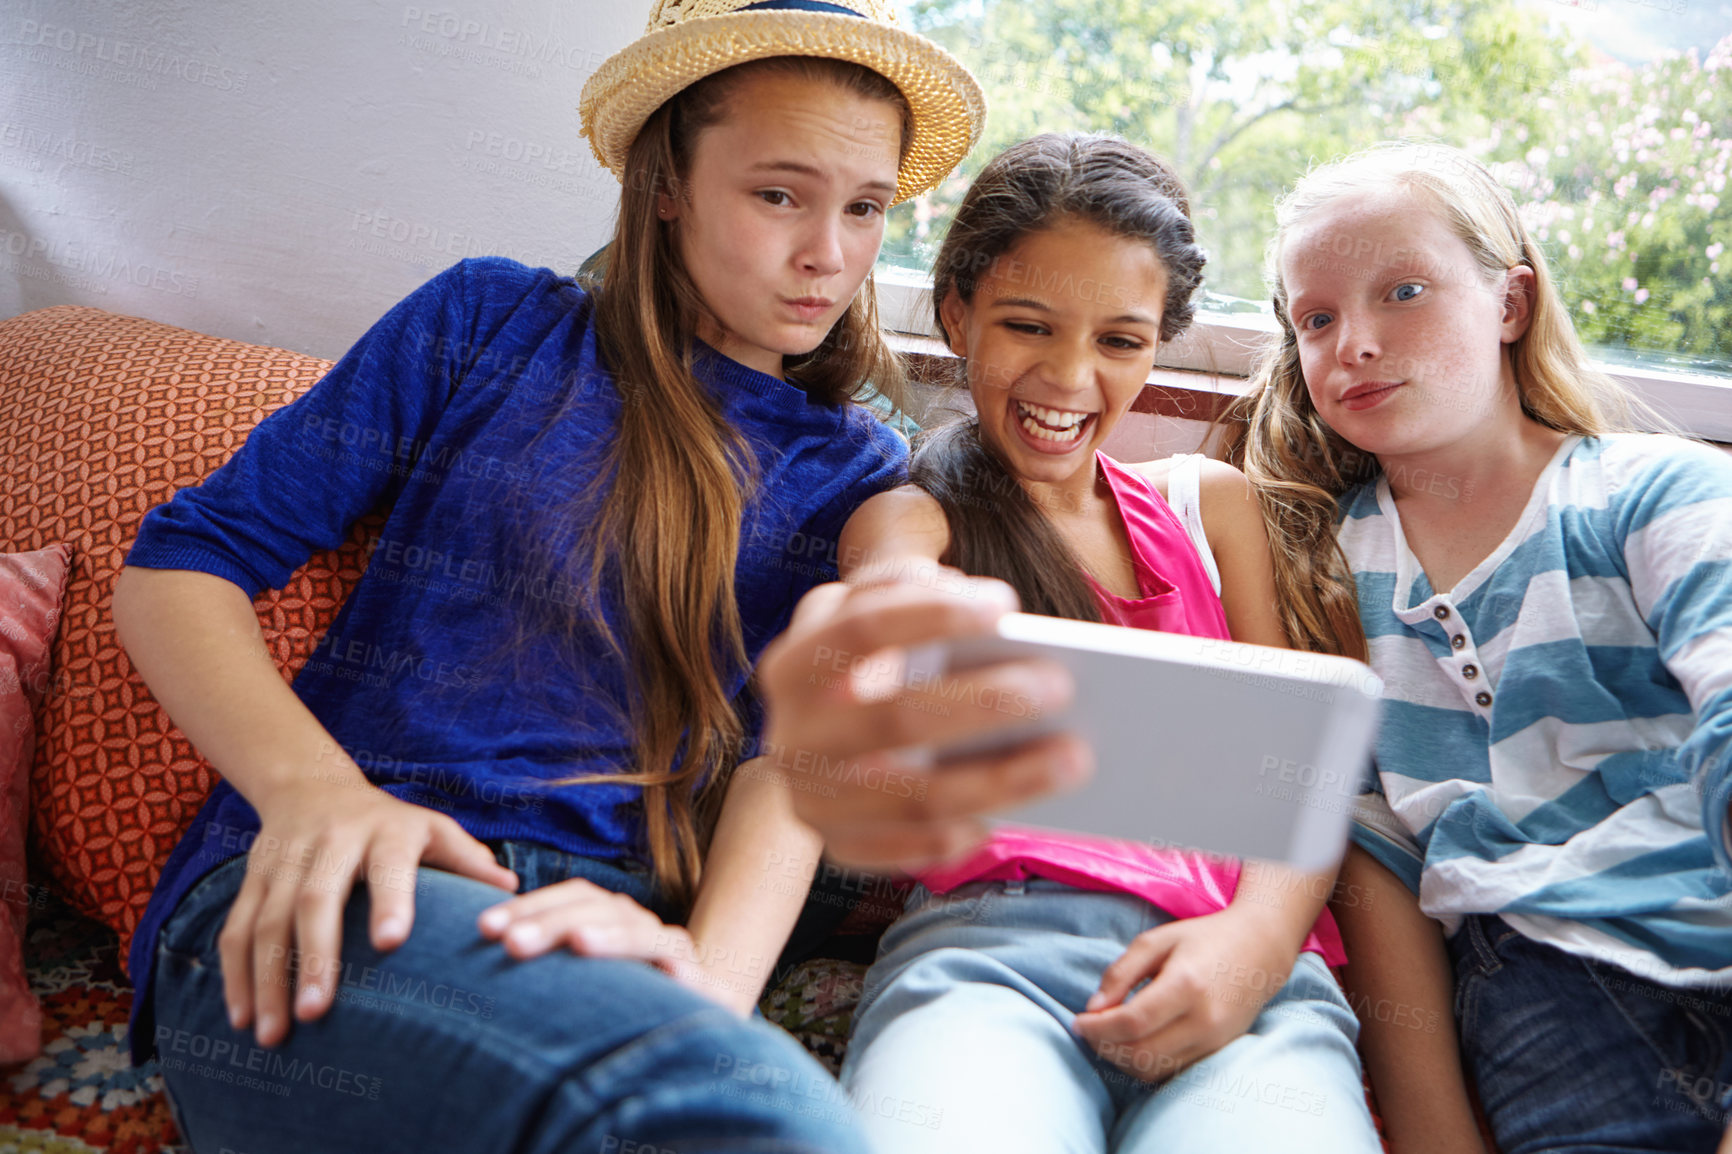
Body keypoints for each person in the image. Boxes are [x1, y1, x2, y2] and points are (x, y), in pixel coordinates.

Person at [110, 2, 986, 1150]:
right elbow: (184, 561)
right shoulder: (490, 323)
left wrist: (699, 993)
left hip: (598, 938)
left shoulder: (852, 471)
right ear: (666, 177)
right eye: (779, 193)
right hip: (338, 892)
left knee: (715, 1094)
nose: (829, 253)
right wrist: (315, 792)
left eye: (866, 208)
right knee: (752, 1120)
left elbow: (792, 766)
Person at [825, 133, 1382, 1154]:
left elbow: (1299, 769)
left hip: (1245, 973)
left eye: (1120, 341)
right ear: (956, 312)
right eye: (1027, 325)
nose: (1069, 377)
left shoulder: (1212, 511)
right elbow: (886, 613)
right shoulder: (916, 520)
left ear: (1159, 340)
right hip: (995, 953)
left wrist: (1254, 949)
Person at [1219, 140, 1732, 1154]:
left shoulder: (1651, 492)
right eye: (1314, 318)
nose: (1352, 342)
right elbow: (1370, 856)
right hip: (1546, 986)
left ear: (1509, 304)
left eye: (1402, 291)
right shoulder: (1322, 570)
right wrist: (1433, 1131)